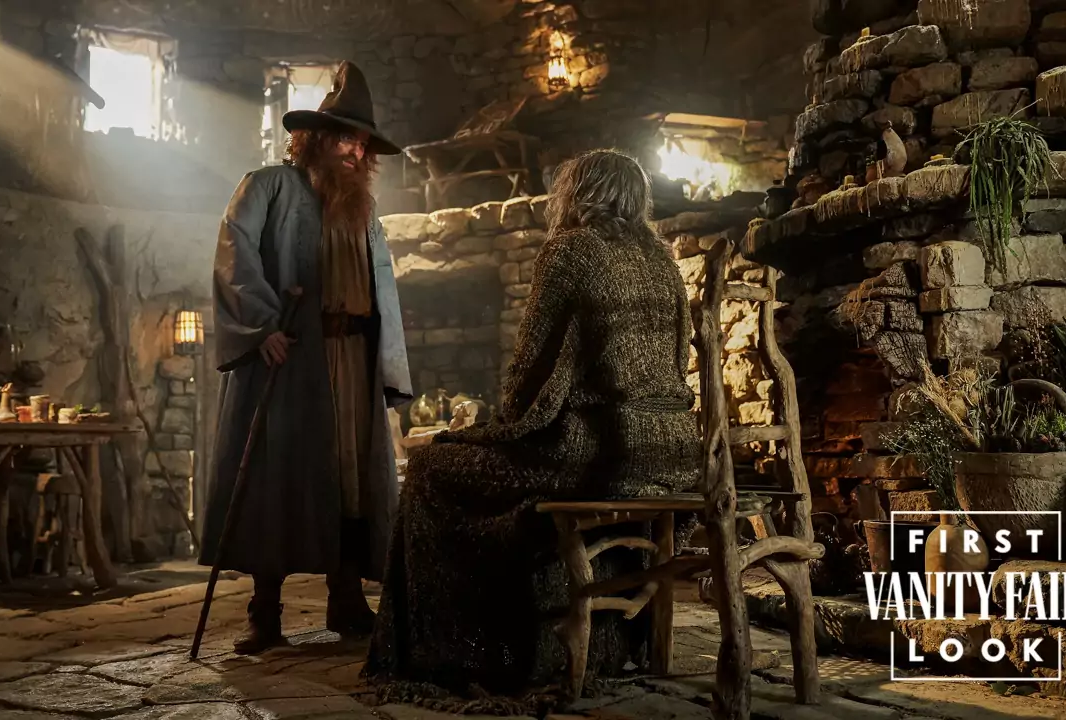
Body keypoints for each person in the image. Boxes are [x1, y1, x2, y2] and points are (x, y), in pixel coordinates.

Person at [365, 149, 702, 699]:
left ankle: (459, 652)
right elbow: (679, 357)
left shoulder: (570, 251)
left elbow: (532, 364)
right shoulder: (661, 258)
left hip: (594, 452)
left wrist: (502, 424)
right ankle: (599, 642)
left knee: (430, 470)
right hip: (672, 453)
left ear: (577, 193)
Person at [201, 61, 413, 655]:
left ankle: (346, 598)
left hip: (353, 363)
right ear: (315, 138)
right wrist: (261, 327)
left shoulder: (362, 209)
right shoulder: (267, 185)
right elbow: (234, 252)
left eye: (363, 143)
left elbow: (382, 289)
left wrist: (386, 365)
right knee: (278, 477)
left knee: (351, 480)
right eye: (346, 138)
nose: (356, 151)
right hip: (291, 356)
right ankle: (264, 612)